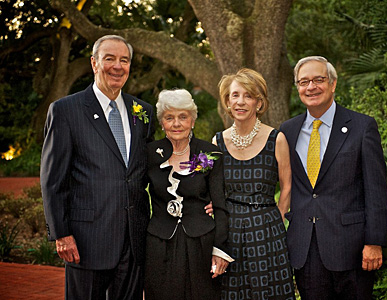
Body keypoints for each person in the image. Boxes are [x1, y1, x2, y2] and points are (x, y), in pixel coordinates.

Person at [40, 35, 153, 299]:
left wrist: (195, 197)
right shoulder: (66, 111)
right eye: (109, 58)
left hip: (134, 242)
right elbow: (52, 179)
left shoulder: (142, 112)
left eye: (124, 60)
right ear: (94, 63)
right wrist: (61, 233)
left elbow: (149, 172)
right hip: (86, 241)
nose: (117, 66)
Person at [280, 56, 387, 299]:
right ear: (297, 87)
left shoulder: (362, 127)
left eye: (318, 80)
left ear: (333, 83)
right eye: (304, 81)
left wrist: (374, 242)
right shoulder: (287, 131)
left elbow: (376, 190)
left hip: (352, 248)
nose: (311, 87)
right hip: (305, 248)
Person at [214, 68, 296, 300]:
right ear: (227, 102)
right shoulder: (217, 141)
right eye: (235, 95)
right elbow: (214, 189)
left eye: (248, 96)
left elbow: (287, 185)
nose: (240, 102)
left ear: (259, 103)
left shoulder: (276, 139)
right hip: (229, 232)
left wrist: (277, 219)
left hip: (266, 231)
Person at [144, 89, 233, 300]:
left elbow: (220, 205)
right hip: (159, 244)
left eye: (183, 117)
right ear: (162, 122)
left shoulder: (210, 153)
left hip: (201, 243)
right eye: (169, 118)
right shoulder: (148, 154)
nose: (176, 123)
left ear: (192, 121)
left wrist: (220, 250)